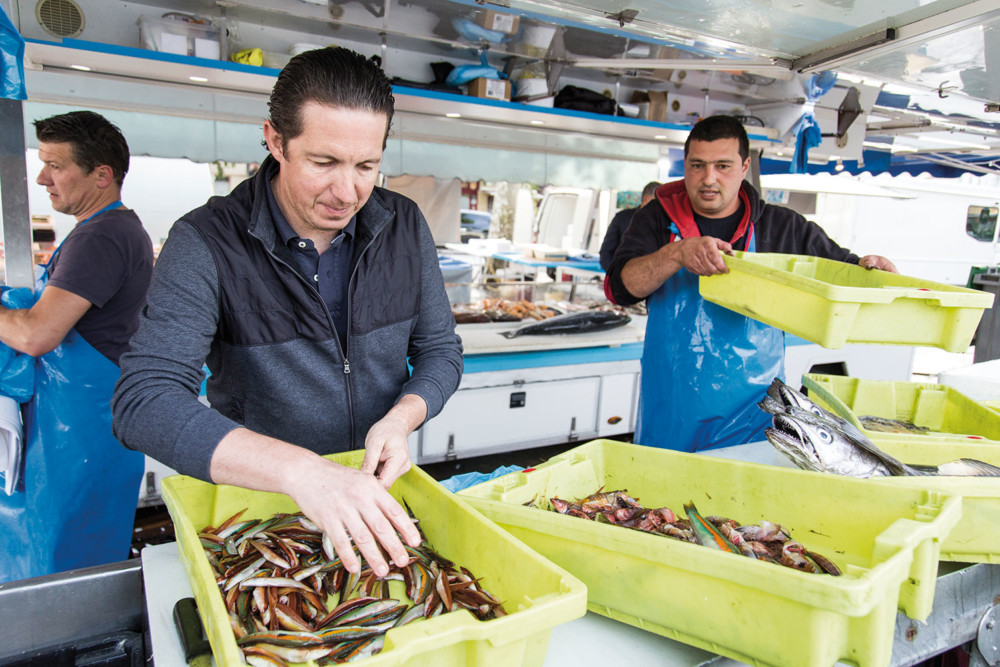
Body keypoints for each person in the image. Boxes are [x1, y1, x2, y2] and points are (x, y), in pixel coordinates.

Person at [112, 47, 464, 578]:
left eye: (366, 166)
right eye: (324, 163)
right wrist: (303, 471)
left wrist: (401, 417)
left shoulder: (404, 225)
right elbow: (145, 402)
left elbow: (441, 351)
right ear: (276, 141)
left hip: (375, 494)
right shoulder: (205, 242)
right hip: (261, 511)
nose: (347, 192)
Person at [606, 115, 896, 453]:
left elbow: (844, 271)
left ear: (744, 166)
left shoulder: (783, 226)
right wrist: (675, 254)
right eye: (697, 166)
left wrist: (871, 270)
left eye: (723, 166)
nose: (708, 178)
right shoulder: (656, 218)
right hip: (672, 410)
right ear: (684, 165)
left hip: (754, 417)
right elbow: (619, 288)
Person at [0, 110, 153, 581]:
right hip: (77, 427)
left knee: (67, 566)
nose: (43, 177)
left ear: (102, 175)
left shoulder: (102, 237)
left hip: (80, 433)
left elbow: (36, 334)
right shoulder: (103, 231)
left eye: (56, 165)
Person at [599, 180, 661, 272]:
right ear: (645, 200)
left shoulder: (663, 222)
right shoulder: (622, 218)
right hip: (621, 275)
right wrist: (615, 276)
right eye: (656, 203)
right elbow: (606, 252)